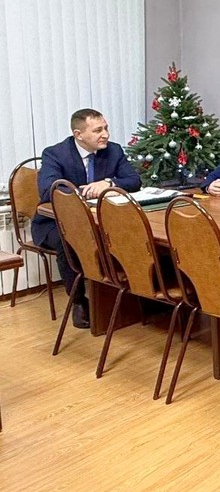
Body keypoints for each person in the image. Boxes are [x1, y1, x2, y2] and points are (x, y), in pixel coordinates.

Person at [31, 108, 141, 329]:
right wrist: (87, 191)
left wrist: (108, 183)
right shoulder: (55, 154)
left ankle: (131, 296)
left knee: (129, 234)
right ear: (78, 134)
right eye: (98, 130)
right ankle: (78, 300)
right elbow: (48, 190)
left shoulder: (114, 151)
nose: (105, 134)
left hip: (102, 219)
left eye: (106, 128)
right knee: (69, 240)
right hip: (55, 222)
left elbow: (134, 180)